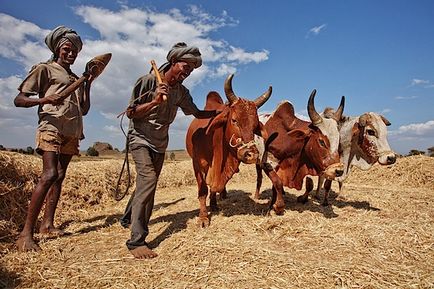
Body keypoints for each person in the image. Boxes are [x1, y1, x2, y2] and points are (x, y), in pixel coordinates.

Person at [120, 42, 219, 259]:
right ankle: (136, 240)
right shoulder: (147, 81)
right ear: (174, 62)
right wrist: (155, 101)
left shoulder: (181, 92)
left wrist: (221, 114)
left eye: (192, 70)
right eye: (186, 66)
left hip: (160, 143)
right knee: (148, 182)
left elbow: (197, 113)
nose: (188, 72)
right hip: (140, 140)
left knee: (145, 184)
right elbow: (131, 113)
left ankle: (127, 218)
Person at [14, 26, 93, 251]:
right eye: (67, 49)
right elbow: (19, 99)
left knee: (59, 176)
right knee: (49, 174)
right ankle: (25, 234)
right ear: (58, 48)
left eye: (74, 51)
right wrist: (45, 100)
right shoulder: (45, 69)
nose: (71, 54)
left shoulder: (75, 78)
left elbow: (85, 109)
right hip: (51, 127)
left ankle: (47, 225)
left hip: (72, 131)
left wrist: (88, 83)